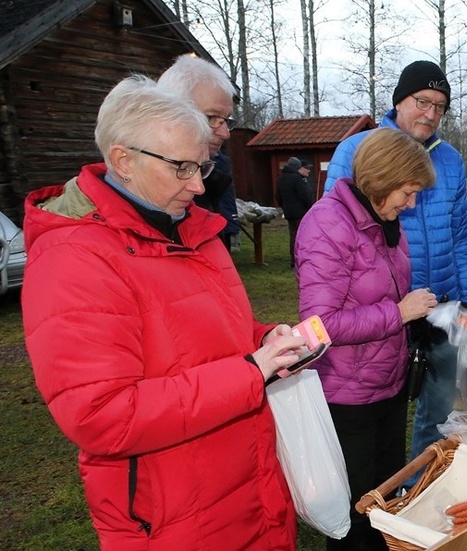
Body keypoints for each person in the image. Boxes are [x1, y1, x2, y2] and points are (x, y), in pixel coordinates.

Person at [21, 76, 308, 549]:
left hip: (246, 485)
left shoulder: (192, 229)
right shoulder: (75, 257)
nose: (197, 185)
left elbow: (199, 333)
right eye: (181, 168)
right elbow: (102, 415)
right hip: (172, 514)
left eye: (203, 166)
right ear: (123, 161)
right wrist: (251, 372)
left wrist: (262, 339)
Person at [324, 60, 467, 468]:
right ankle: (381, 489)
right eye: (422, 101)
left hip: (443, 303)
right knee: (385, 407)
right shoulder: (357, 151)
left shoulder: (450, 160)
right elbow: (335, 228)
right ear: (398, 101)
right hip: (385, 307)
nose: (430, 114)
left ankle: (419, 483)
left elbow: (461, 234)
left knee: (443, 405)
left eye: (440, 106)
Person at [296, 128, 439, 551]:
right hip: (348, 397)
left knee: (384, 500)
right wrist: (398, 313)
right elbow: (319, 326)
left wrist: (415, 319)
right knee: (356, 512)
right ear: (381, 179)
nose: (411, 204)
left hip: (386, 386)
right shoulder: (327, 225)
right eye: (408, 192)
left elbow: (382, 292)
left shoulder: (384, 221)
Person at [158, 54, 240, 250]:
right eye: (212, 118)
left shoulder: (212, 176)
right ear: (169, 111)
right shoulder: (149, 193)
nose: (225, 133)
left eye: (226, 120)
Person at [277, 156, 314, 267]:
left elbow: (277, 196)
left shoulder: (280, 179)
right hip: (301, 213)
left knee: (293, 236)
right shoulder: (298, 179)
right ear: (297, 167)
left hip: (289, 213)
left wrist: (285, 207)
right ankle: (302, 259)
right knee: (303, 236)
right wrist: (310, 208)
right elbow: (305, 196)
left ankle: (294, 260)